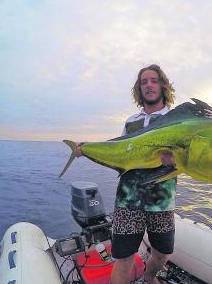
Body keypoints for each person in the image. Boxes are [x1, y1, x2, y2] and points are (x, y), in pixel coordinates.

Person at [75, 64, 176, 284]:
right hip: (128, 201)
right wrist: (87, 149)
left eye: (153, 80)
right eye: (143, 82)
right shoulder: (131, 121)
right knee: (123, 258)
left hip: (162, 200)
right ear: (139, 89)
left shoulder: (175, 118)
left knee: (163, 253)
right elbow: (118, 151)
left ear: (163, 85)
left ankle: (149, 276)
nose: (148, 85)